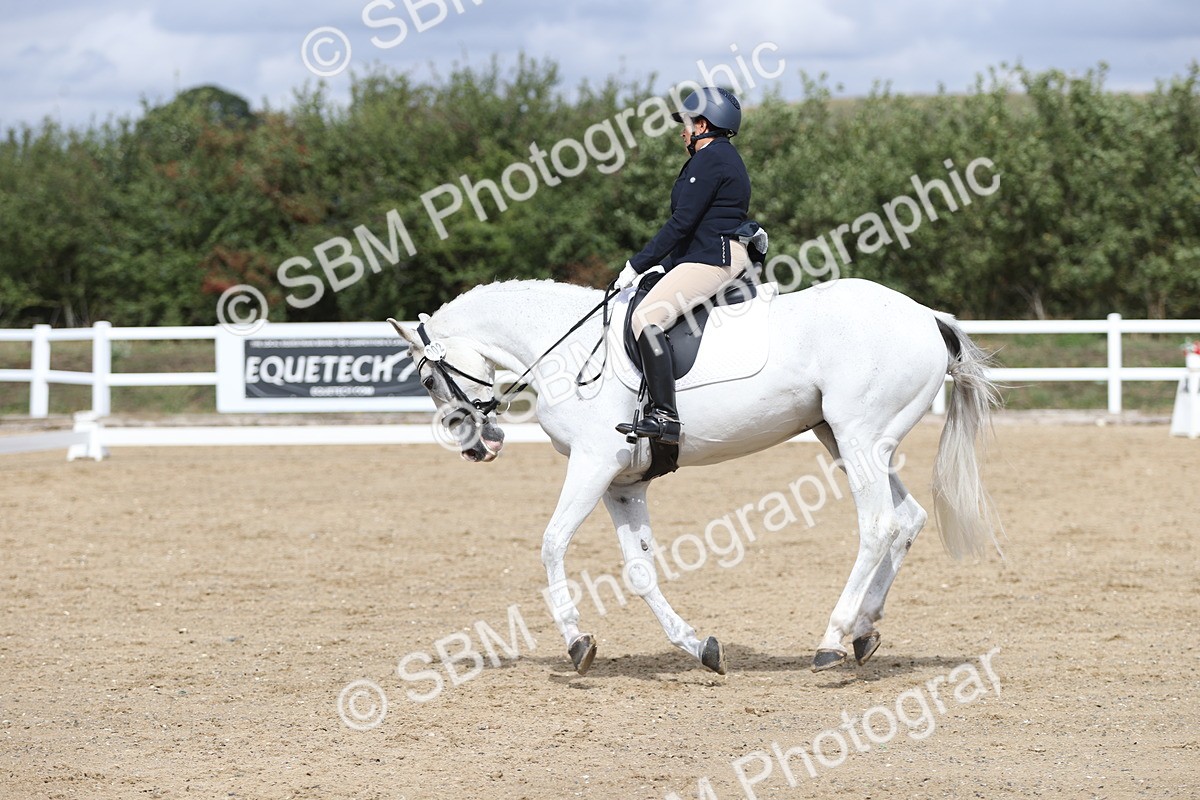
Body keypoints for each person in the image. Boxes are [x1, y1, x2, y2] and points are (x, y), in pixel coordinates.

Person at [614, 86, 752, 445]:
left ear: (703, 124)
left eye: (687, 123)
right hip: (703, 252)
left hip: (713, 257)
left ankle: (665, 415)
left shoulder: (712, 160)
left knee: (647, 317)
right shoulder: (719, 158)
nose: (682, 131)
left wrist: (637, 263)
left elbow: (682, 223)